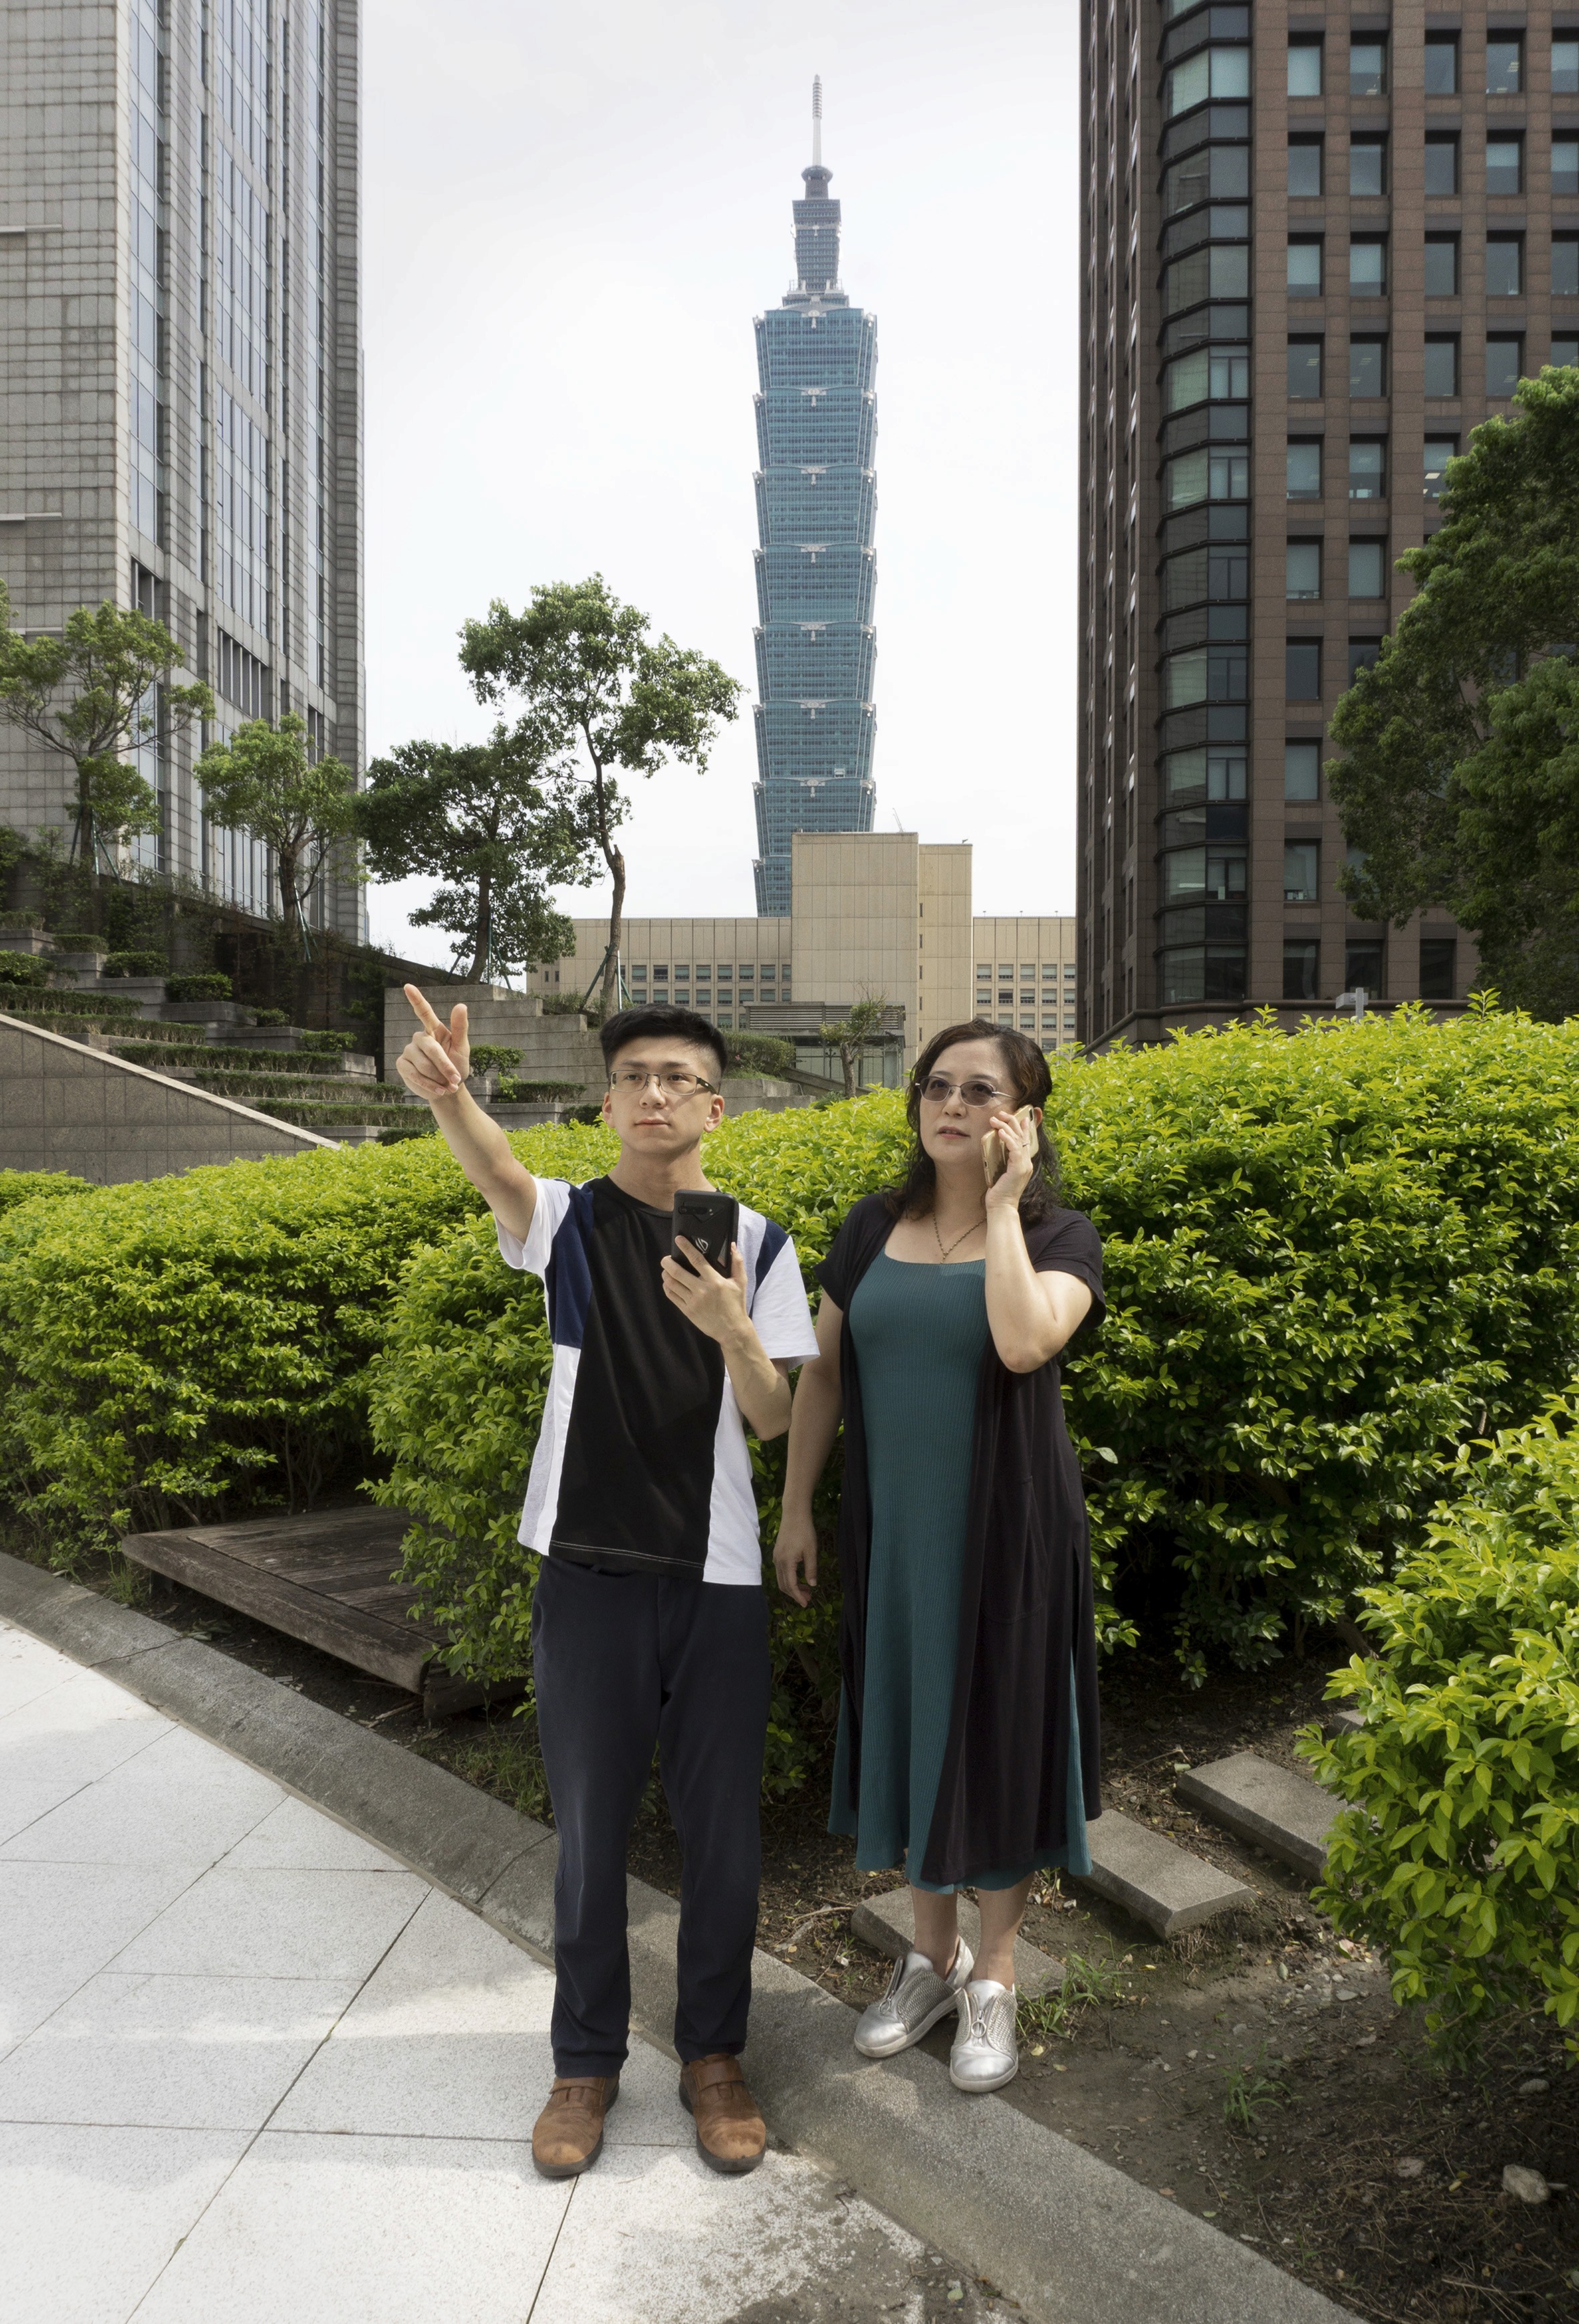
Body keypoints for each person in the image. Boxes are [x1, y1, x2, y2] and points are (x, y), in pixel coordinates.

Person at [395, 986, 819, 2179]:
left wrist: (733, 1326)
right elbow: (496, 1169)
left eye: (677, 1078)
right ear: (607, 1102)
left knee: (721, 1834)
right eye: (633, 1076)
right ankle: (583, 2064)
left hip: (716, 1574)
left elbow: (775, 1417)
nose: (652, 1094)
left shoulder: (759, 1240)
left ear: (716, 1107)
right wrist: (451, 1094)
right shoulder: (569, 1221)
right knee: (587, 1832)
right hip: (586, 1569)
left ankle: (714, 2058)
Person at [773, 1020, 1104, 2094]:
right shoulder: (872, 1225)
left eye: (980, 1091)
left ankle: (994, 1974)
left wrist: (1003, 1206)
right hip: (893, 1532)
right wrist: (796, 1509)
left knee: (998, 1736)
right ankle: (930, 1958)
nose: (952, 1105)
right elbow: (823, 1375)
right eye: (936, 1087)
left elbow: (1023, 1342)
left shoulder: (1061, 1238)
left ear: (1023, 1117)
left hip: (1009, 1534)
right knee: (912, 1724)